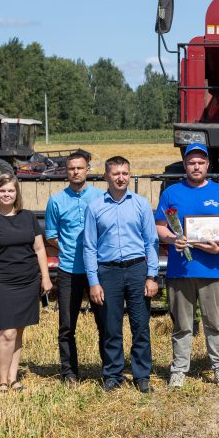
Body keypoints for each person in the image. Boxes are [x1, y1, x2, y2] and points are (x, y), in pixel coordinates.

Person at [156, 143, 219, 389]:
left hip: (212, 270)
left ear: (208, 165)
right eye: (192, 162)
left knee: (214, 323)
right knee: (182, 325)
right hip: (180, 270)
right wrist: (173, 239)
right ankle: (179, 369)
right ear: (185, 165)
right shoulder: (171, 193)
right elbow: (160, 226)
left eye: (201, 162)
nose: (196, 166)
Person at [84, 156, 160, 393]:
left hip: (137, 270)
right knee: (111, 327)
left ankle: (141, 375)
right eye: (116, 173)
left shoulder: (141, 204)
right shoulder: (94, 207)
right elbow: (89, 247)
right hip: (108, 271)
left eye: (125, 173)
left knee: (140, 326)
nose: (121, 178)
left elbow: (151, 241)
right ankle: (112, 374)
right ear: (106, 176)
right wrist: (94, 281)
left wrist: (152, 276)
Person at [0, 174, 53, 393]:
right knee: (6, 332)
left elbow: (39, 249)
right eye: (2, 190)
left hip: (28, 282)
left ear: (17, 193)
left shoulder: (28, 217)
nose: (6, 194)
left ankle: (13, 378)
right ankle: (1, 380)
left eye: (10, 190)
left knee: (18, 331)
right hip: (1, 283)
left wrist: (45, 277)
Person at [44, 150, 104, 385]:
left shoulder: (101, 197)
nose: (75, 172)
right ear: (65, 171)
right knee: (67, 325)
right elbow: (51, 234)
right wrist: (68, 249)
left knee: (104, 322)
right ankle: (69, 372)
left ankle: (109, 370)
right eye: (71, 168)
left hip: (97, 270)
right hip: (69, 269)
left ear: (87, 169)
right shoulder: (56, 201)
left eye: (80, 168)